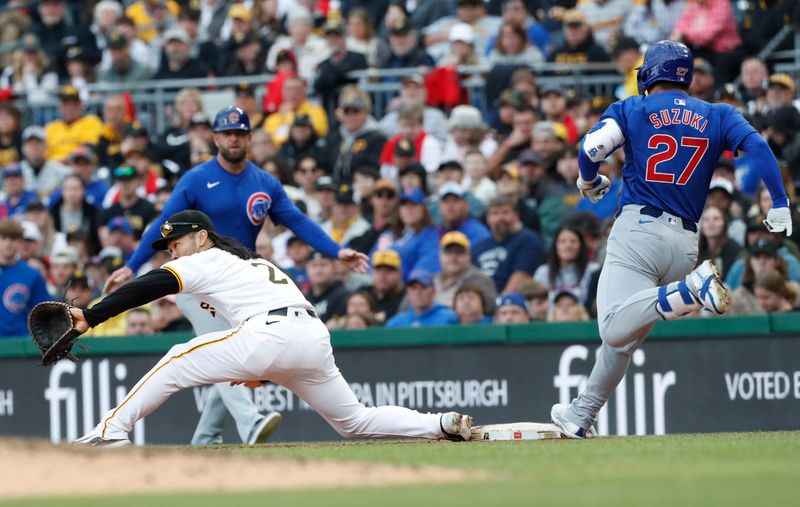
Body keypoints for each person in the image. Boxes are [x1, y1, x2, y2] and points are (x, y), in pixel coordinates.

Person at [550, 40, 791, 439]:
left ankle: (692, 291)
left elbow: (592, 147)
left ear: (650, 72)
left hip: (639, 230)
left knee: (612, 327)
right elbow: (759, 147)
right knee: (623, 339)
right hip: (685, 242)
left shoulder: (632, 107)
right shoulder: (718, 113)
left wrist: (589, 180)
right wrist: (779, 200)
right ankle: (581, 414)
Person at [72, 210, 472, 446]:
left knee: (177, 356)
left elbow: (150, 284)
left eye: (175, 244)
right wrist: (258, 368)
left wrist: (92, 315)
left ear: (201, 237)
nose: (171, 252)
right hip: (310, 337)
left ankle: (109, 431)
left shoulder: (206, 259)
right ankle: (438, 423)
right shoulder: (252, 264)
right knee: (355, 422)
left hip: (271, 334)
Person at [103, 106, 369, 447]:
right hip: (199, 281)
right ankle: (250, 421)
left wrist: (336, 250)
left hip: (243, 285)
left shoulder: (264, 182)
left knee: (230, 355)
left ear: (248, 138)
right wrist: (132, 263)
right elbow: (164, 223)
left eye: (240, 133)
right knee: (223, 347)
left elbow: (296, 220)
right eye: (227, 133)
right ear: (215, 138)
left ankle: (206, 438)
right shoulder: (197, 179)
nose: (233, 138)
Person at [473, 196, 545, 294]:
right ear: (488, 219)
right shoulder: (479, 247)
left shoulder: (528, 240)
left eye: (505, 212)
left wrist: (499, 304)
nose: (500, 218)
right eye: (495, 214)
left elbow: (520, 279)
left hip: (511, 302)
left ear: (516, 216)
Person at [0, 219, 49, 338]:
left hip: (21, 344)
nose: (8, 243)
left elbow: (43, 312)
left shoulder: (31, 274)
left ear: (20, 242)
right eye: (3, 238)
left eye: (13, 239)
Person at [434, 231, 497, 312]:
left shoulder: (481, 280)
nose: (453, 257)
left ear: (469, 255)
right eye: (448, 252)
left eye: (459, 252)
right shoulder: (433, 279)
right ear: (440, 255)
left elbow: (490, 310)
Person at [385, 269, 458, 328]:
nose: (418, 292)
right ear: (408, 292)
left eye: (423, 287)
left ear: (433, 291)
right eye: (413, 288)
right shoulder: (395, 323)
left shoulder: (448, 318)